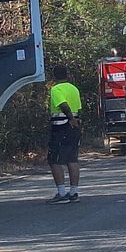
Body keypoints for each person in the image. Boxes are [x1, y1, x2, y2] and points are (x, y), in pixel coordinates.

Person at [46, 64, 82, 203]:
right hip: (74, 127)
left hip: (61, 127)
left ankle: (61, 193)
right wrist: (77, 122)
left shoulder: (56, 89)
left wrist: (70, 119)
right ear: (67, 75)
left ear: (54, 76)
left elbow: (63, 104)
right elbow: (78, 108)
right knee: (72, 160)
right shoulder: (74, 89)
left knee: (54, 160)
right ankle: (73, 192)